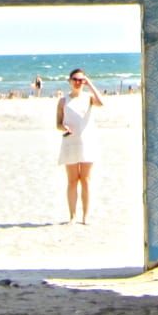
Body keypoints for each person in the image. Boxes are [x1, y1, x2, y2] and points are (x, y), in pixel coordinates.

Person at [56, 68, 104, 224]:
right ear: (69, 81)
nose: (78, 82)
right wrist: (64, 128)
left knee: (86, 179)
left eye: (81, 80)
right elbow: (58, 123)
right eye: (75, 79)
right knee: (72, 180)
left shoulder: (88, 98)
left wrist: (89, 83)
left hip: (87, 142)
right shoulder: (63, 101)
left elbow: (102, 103)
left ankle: (86, 216)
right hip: (70, 143)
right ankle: (72, 216)